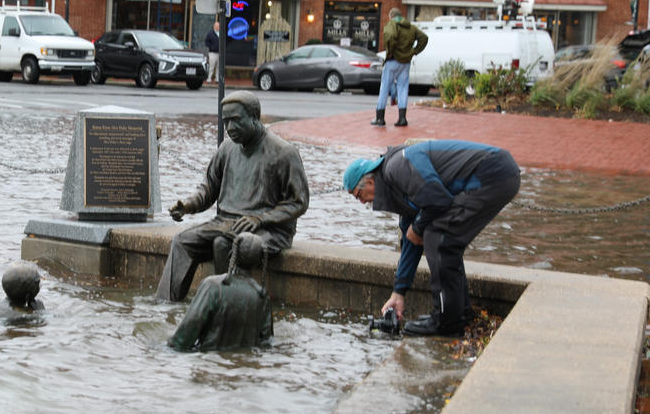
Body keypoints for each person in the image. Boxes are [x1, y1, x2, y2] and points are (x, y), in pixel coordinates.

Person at [344, 139, 520, 337]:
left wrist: (418, 228)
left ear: (369, 181)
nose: (361, 202)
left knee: (438, 238)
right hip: (498, 173)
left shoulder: (397, 168)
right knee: (445, 240)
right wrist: (398, 292)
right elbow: (411, 241)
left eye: (358, 195)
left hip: (491, 174)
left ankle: (445, 321)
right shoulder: (395, 186)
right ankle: (460, 314)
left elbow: (438, 200)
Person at [156, 90, 310, 302]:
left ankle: (224, 304)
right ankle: (165, 304)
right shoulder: (227, 148)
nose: (229, 128)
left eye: (236, 120)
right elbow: (209, 188)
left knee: (224, 245)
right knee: (182, 241)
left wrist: (260, 218)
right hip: (225, 222)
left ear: (255, 117)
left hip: (269, 229)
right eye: (226, 121)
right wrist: (189, 205)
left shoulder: (284, 152)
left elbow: (298, 202)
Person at [168, 232, 273, 352]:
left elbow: (189, 328)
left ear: (231, 254)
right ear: (259, 263)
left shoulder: (212, 285)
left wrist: (170, 349)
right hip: (243, 367)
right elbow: (266, 341)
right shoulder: (261, 296)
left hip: (209, 360)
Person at [373, 7, 428, 128]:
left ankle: (380, 118)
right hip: (406, 62)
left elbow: (390, 35)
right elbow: (424, 38)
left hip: (393, 60)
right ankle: (402, 118)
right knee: (403, 88)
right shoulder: (411, 27)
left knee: (384, 87)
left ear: (391, 16)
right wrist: (414, 51)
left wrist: (390, 50)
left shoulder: (392, 24)